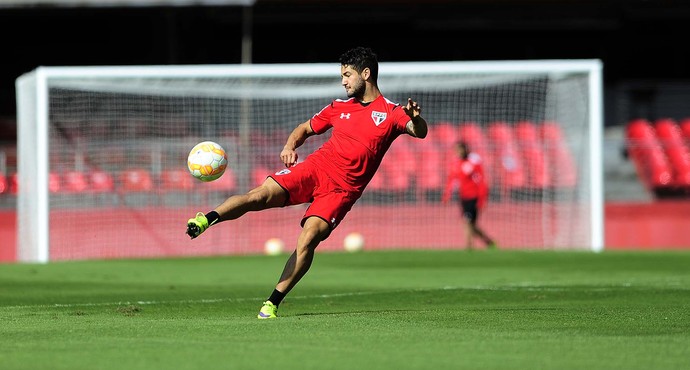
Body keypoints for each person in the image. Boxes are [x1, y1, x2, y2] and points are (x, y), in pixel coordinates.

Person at [185, 46, 428, 319]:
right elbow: (304, 128)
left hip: (341, 192)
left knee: (309, 238)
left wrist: (416, 120)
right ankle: (206, 219)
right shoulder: (339, 107)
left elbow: (418, 132)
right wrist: (290, 145)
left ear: (366, 73)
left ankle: (272, 302)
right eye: (342, 76)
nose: (343, 81)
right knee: (259, 195)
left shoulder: (392, 112)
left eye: (347, 75)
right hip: (315, 169)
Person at [441, 141, 497, 250]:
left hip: (474, 198)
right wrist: (447, 194)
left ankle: (469, 247)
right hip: (463, 197)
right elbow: (451, 180)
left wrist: (482, 199)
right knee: (472, 225)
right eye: (456, 150)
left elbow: (481, 182)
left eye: (460, 149)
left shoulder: (473, 163)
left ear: (465, 150)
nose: (458, 152)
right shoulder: (456, 164)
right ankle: (489, 242)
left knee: (467, 222)